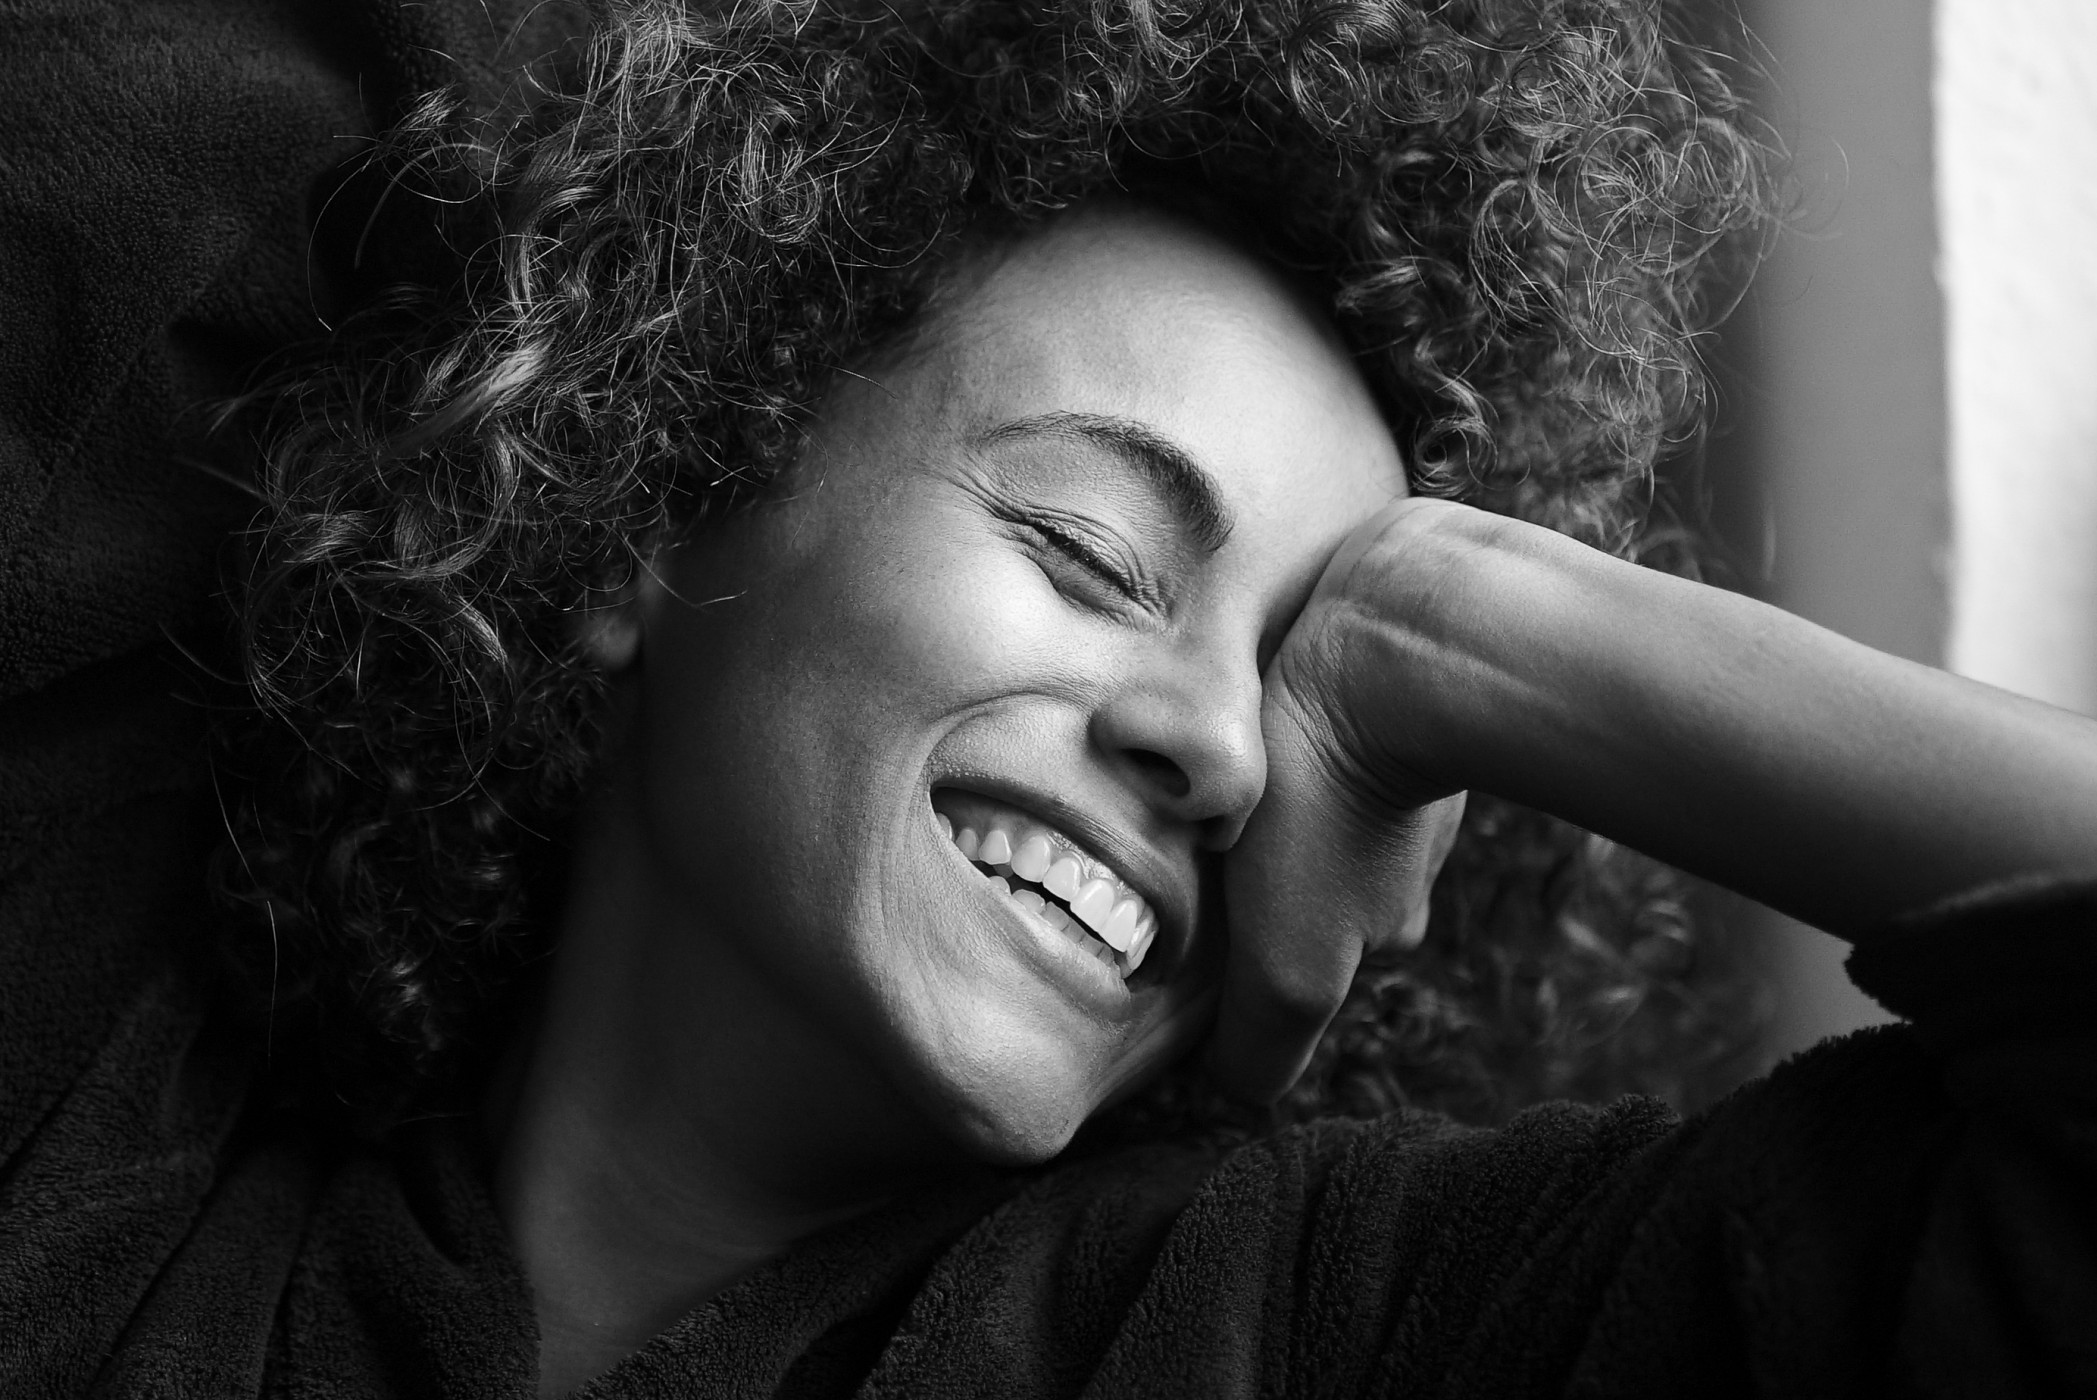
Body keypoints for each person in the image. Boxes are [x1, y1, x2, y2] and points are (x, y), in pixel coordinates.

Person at [1, 1, 2091, 1398]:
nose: (1219, 742)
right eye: (1093, 552)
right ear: (653, 507)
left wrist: (1472, 630)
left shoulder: (1325, 1331)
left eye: (1304, 684)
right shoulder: (91, 1116)